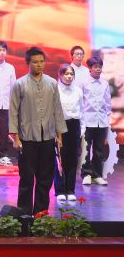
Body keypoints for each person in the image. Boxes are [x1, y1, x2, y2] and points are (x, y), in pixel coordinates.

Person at [9, 47, 67, 215]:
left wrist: (59, 136)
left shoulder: (52, 83)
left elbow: (57, 110)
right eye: (35, 62)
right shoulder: (19, 84)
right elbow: (13, 112)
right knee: (27, 178)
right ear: (28, 63)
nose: (39, 65)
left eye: (42, 61)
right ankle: (24, 213)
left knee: (45, 178)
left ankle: (41, 213)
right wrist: (16, 138)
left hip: (48, 137)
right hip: (27, 138)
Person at [80, 56, 111, 186]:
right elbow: (80, 102)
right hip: (87, 120)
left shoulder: (105, 84)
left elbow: (107, 102)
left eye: (100, 67)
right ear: (90, 68)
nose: (98, 69)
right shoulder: (84, 83)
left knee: (99, 149)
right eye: (96, 67)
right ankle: (86, 174)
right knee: (86, 149)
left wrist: (108, 118)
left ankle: (97, 175)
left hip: (102, 121)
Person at [55, 64, 81, 202]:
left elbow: (82, 110)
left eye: (71, 74)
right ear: (60, 75)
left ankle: (70, 189)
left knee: (73, 158)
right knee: (60, 158)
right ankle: (60, 189)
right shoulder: (56, 90)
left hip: (74, 125)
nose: (69, 76)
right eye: (66, 74)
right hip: (60, 126)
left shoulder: (78, 91)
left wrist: (82, 130)